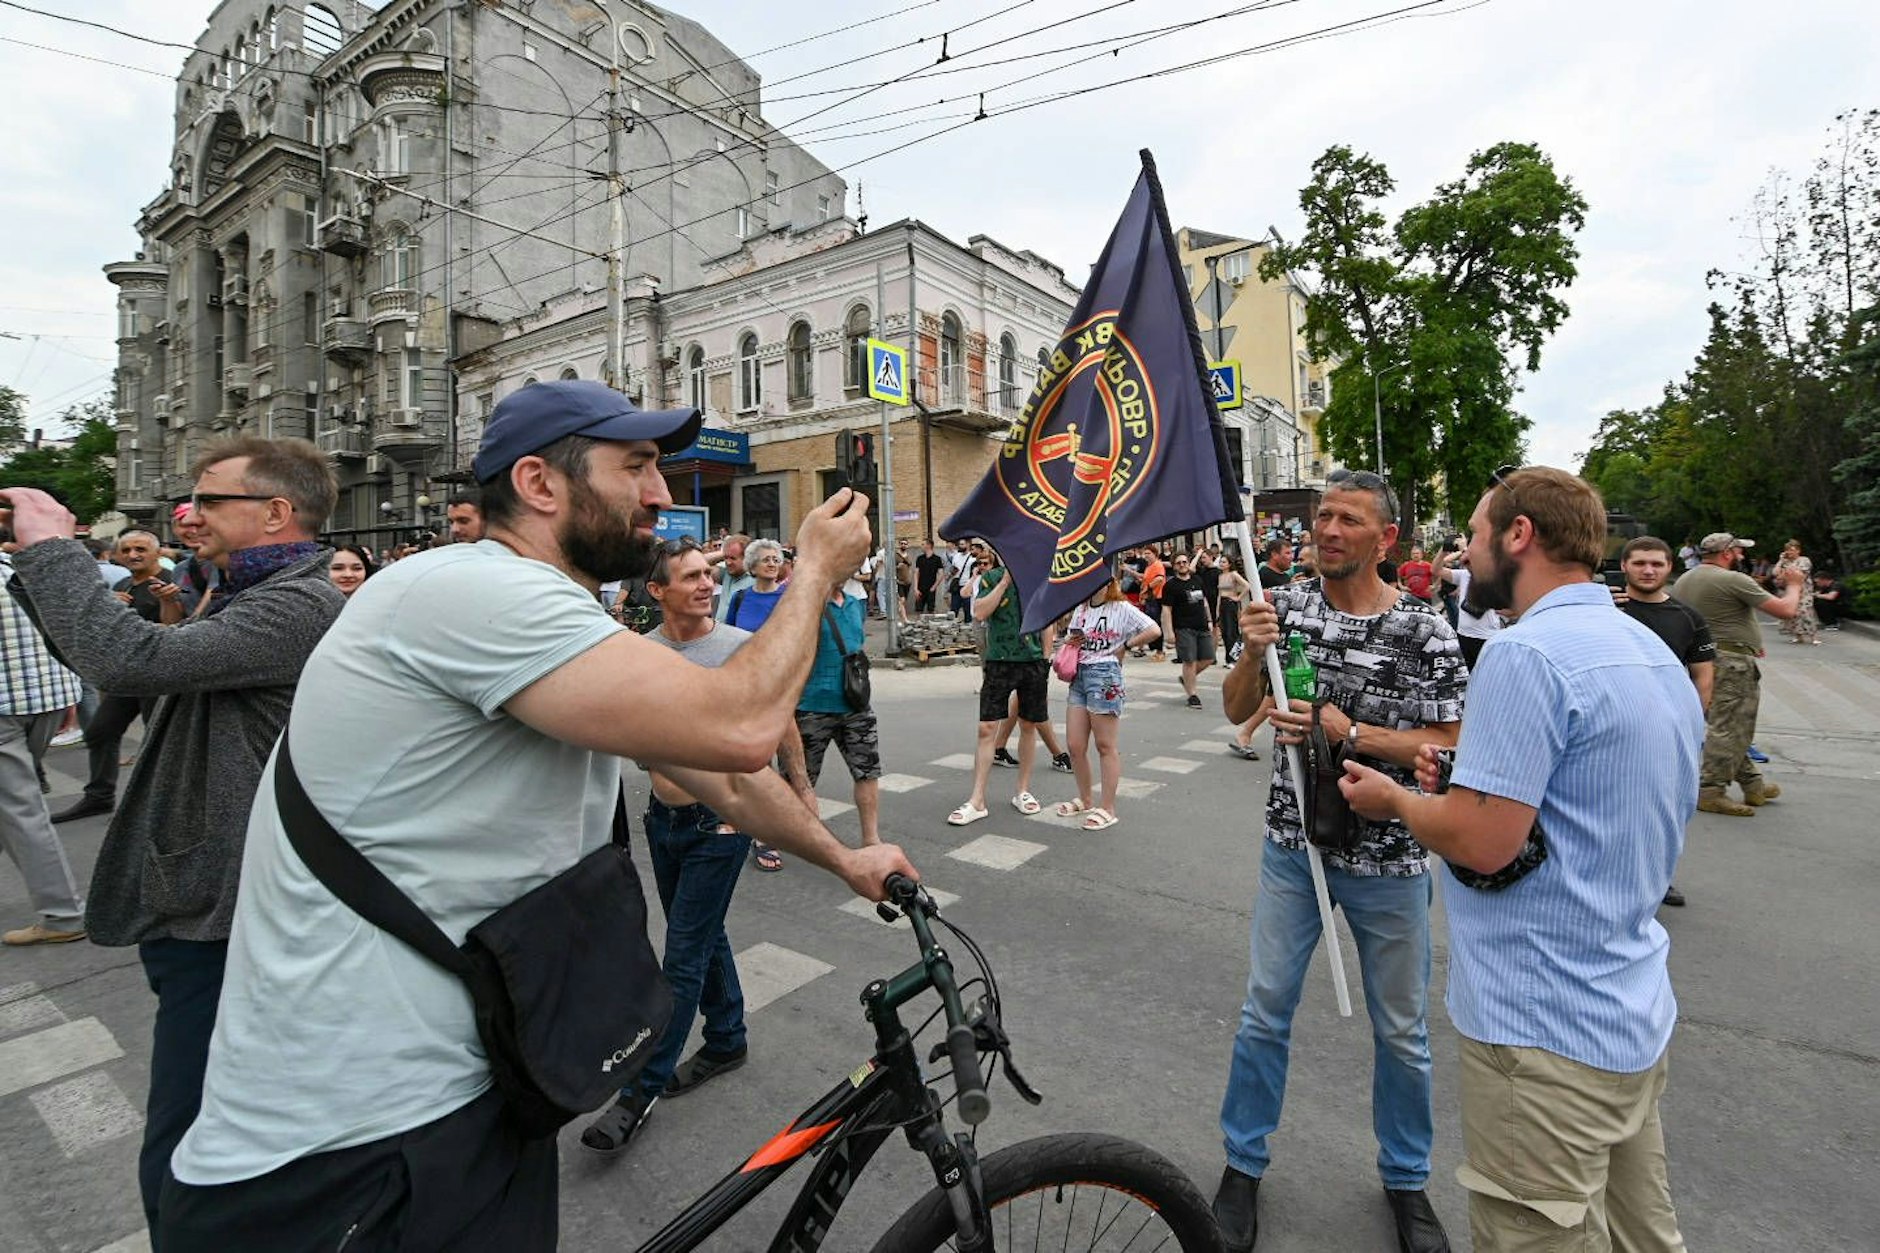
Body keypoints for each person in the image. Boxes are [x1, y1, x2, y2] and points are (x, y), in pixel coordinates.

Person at [158, 380, 914, 1250]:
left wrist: (842, 857)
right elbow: (741, 729)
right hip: (350, 1148)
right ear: (540, 484)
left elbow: (726, 780)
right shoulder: (472, 590)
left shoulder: (537, 608)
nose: (663, 496)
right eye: (636, 467)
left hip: (467, 1097)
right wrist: (815, 571)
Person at [1340, 466, 1703, 1253]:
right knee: (1642, 1235)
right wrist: (1466, 787)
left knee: (1532, 1235)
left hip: (1542, 1028)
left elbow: (1483, 840)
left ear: (1519, 535)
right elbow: (1597, 804)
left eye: (1473, 536)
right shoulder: (1646, 649)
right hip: (1629, 1007)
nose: (1465, 556)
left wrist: (1397, 801)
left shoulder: (1523, 655)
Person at [2, 438, 345, 1233]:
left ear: (275, 512)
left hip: (228, 915)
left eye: (209, 500)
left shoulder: (298, 604)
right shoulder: (235, 590)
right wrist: (42, 564)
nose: (188, 515)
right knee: (201, 1130)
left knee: (192, 1146)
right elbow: (109, 655)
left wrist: (56, 550)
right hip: (204, 899)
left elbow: (127, 661)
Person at [1213, 468, 1465, 1253]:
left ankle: (1406, 1181)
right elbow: (1233, 706)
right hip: (1293, 847)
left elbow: (1449, 746)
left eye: (1348, 519)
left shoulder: (1424, 629)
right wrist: (1254, 657)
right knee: (1264, 1012)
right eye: (1322, 515)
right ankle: (1241, 1166)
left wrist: (1345, 730)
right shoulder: (1283, 605)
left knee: (1401, 1031)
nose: (1327, 529)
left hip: (1390, 860)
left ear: (1385, 539)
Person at [578, 538, 814, 1156]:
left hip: (721, 824)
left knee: (681, 955)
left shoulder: (738, 647)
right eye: (690, 577)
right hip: (664, 820)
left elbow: (779, 717)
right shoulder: (641, 652)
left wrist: (798, 787)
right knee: (702, 936)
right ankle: (729, 1036)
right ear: (657, 592)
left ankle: (640, 1091)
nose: (707, 584)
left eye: (708, 574)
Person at [1614, 536, 1715, 909]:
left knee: (1665, 809)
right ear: (1624, 565)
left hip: (1669, 732)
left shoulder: (1688, 618)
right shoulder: (1608, 609)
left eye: (1656, 563)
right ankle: (1613, 875)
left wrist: (1690, 726)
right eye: (1639, 563)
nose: (1648, 570)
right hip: (1615, 727)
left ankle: (1659, 877)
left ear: (1670, 567)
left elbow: (1703, 677)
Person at [1671, 533, 1803, 816]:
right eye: (1739, 552)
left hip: (1702, 659)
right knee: (1729, 727)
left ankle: (1753, 784)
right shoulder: (1733, 579)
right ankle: (1711, 791)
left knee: (1730, 726)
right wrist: (1794, 586)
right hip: (1731, 663)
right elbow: (1786, 611)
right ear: (1728, 553)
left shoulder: (1686, 579)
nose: (1742, 556)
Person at [50, 530, 176, 823]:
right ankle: (99, 797)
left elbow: (177, 628)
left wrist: (167, 603)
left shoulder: (170, 583)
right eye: (127, 549)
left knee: (156, 741)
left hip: (158, 676)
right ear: (117, 555)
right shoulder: (122, 583)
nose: (133, 555)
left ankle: (155, 807)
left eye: (141, 549)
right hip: (127, 675)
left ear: (157, 553)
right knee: (100, 731)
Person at [0, 552, 88, 946]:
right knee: (13, 804)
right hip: (45, 699)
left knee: (21, 809)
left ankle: (63, 914)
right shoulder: (18, 565)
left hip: (5, 707)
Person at [948, 544, 1054, 826]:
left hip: (1032, 661)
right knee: (986, 728)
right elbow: (980, 612)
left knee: (1029, 725)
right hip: (1000, 659)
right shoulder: (991, 577)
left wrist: (1045, 658)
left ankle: (1022, 791)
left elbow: (1047, 620)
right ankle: (977, 800)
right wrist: (1005, 581)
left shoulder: (1039, 577)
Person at [780, 571, 883, 847]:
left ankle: (871, 839)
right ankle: (777, 835)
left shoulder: (853, 603)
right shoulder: (805, 607)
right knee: (797, 779)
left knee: (868, 772)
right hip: (811, 708)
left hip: (855, 705)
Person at [1052, 578, 1159, 831]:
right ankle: (1086, 799)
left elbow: (1153, 629)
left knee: (1105, 745)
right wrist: (1071, 643)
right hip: (1079, 675)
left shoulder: (1121, 607)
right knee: (1075, 745)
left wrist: (1126, 646)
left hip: (1104, 674)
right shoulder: (1082, 608)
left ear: (1108, 583)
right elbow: (1072, 638)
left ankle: (1108, 807)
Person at [1160, 551, 1216, 708]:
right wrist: (1169, 632)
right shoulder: (1170, 586)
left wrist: (1210, 619)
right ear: (1174, 566)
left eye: (1184, 562)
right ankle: (1193, 695)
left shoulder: (1197, 580)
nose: (1182, 565)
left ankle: (1186, 678)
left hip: (1202, 626)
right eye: (1178, 563)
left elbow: (1204, 602)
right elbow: (1166, 610)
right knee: (1189, 661)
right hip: (1184, 628)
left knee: (1209, 658)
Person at [1435, 545, 1504, 669]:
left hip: (1486, 636)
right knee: (1467, 677)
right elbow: (1436, 570)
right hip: (1464, 635)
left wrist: (1465, 549)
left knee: (1485, 676)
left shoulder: (1493, 574)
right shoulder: (1463, 575)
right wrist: (1443, 550)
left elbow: (1479, 571)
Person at [1773, 538, 1818, 644]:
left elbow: (1799, 573)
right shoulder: (1785, 561)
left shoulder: (1804, 560)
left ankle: (1813, 637)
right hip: (1791, 589)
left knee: (1805, 611)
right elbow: (1775, 573)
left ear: (1798, 550)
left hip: (1804, 589)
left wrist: (1784, 573)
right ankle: (1798, 636)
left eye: (1792, 550)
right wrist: (1781, 560)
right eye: (1788, 550)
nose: (1790, 552)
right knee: (1794, 612)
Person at [712, 533, 752, 623]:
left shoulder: (757, 580)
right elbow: (700, 564)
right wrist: (722, 553)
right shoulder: (725, 574)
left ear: (747, 557)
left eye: (733, 558)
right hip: (720, 632)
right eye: (726, 558)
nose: (728, 562)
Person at [913, 539, 944, 614]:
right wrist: (915, 588)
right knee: (918, 610)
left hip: (931, 588)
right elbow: (916, 573)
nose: (921, 546)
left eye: (923, 544)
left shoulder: (937, 559)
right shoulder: (920, 558)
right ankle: (919, 624)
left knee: (931, 610)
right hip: (920, 588)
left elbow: (941, 574)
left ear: (929, 545)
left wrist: (934, 587)